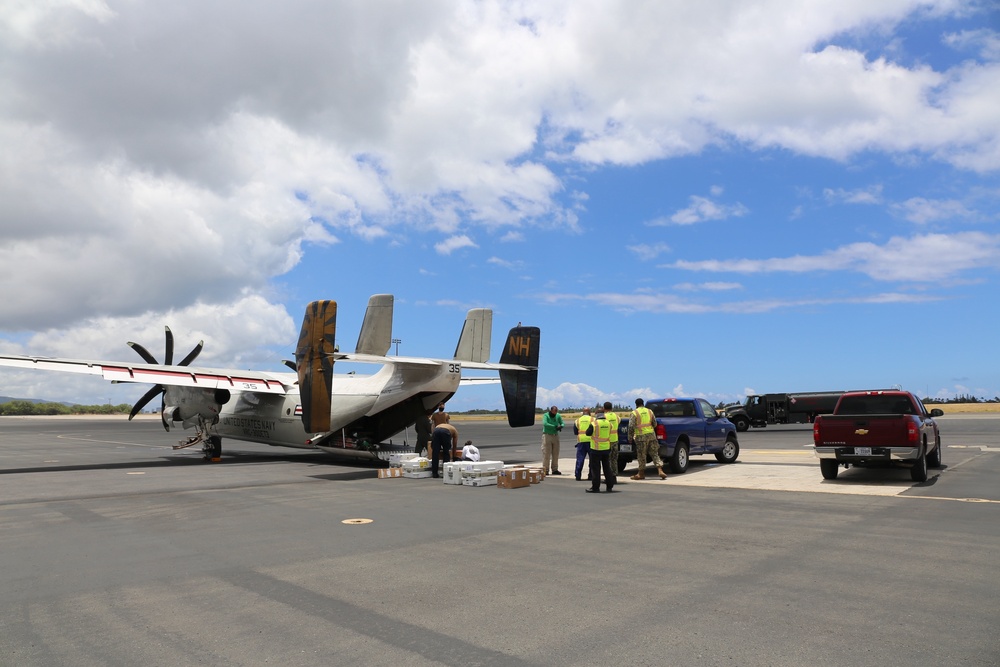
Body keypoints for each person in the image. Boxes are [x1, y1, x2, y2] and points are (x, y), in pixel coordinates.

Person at [628, 398, 666, 480]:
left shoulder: (634, 413)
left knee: (641, 455)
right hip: (651, 435)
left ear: (636, 404)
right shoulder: (650, 411)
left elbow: (631, 426)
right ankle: (660, 470)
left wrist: (630, 437)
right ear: (643, 403)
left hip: (640, 436)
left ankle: (641, 473)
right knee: (654, 453)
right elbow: (655, 423)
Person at [587, 405, 615, 493]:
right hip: (606, 448)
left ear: (596, 414)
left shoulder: (594, 424)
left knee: (596, 469)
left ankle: (595, 487)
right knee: (607, 468)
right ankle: (609, 486)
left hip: (596, 449)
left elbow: (588, 433)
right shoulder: (609, 423)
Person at [541, 405, 564, 475]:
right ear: (551, 410)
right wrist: (554, 426)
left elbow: (562, 423)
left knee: (555, 453)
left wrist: (561, 426)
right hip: (547, 435)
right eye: (554, 412)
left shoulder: (558, 415)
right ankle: (545, 469)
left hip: (555, 436)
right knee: (546, 453)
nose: (555, 413)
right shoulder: (546, 415)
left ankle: (554, 469)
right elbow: (545, 424)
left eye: (556, 412)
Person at [573, 407, 593, 481]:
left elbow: (575, 432)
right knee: (592, 460)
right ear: (589, 412)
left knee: (580, 459)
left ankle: (578, 475)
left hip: (581, 442)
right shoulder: (593, 419)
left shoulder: (577, 420)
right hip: (591, 442)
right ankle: (591, 475)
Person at [604, 401, 621, 477]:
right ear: (612, 408)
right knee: (614, 459)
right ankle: (614, 475)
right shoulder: (616, 416)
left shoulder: (604, 417)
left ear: (604, 408)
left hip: (607, 441)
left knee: (607, 460)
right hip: (615, 440)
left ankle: (609, 476)